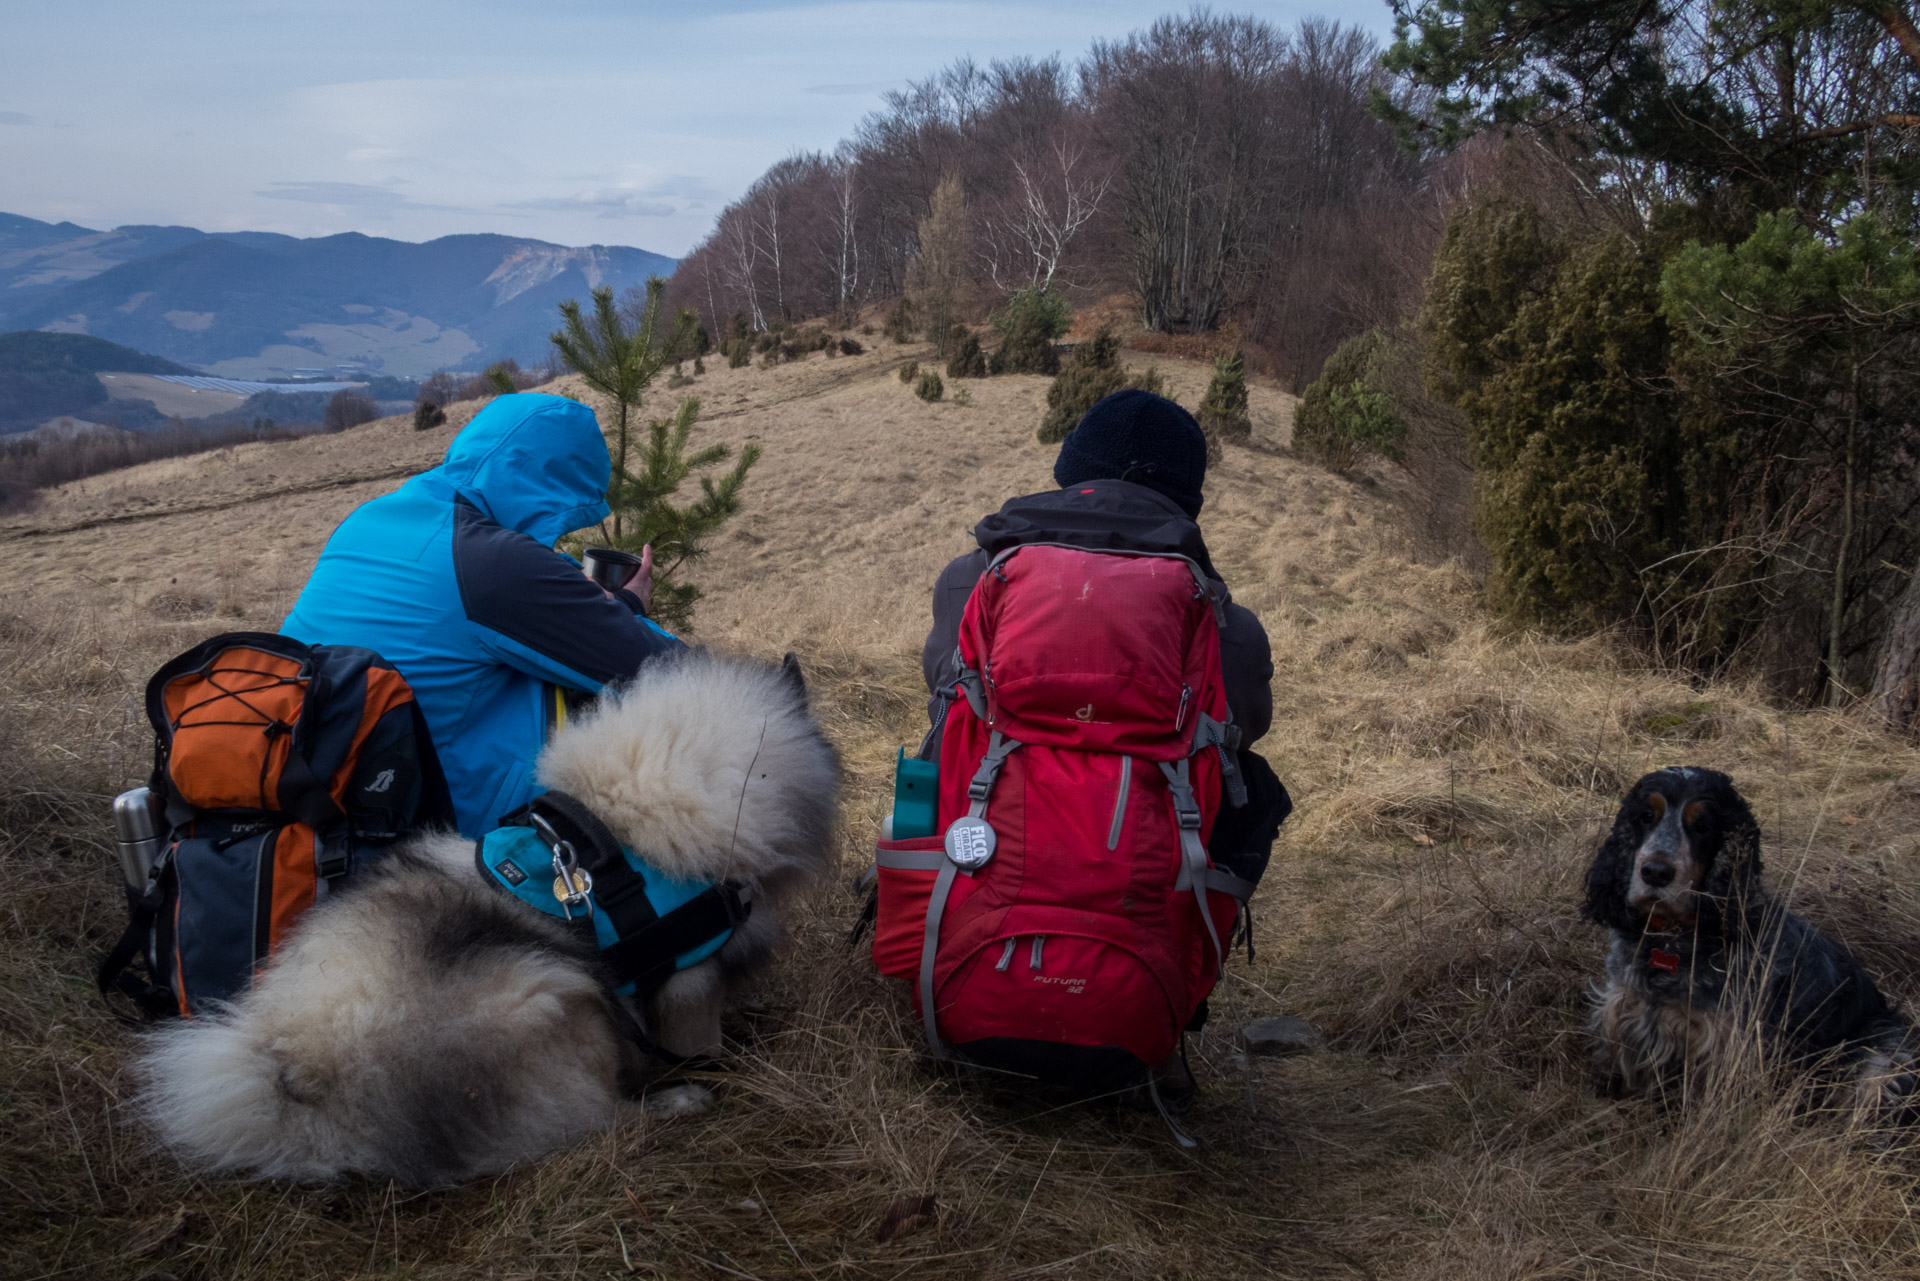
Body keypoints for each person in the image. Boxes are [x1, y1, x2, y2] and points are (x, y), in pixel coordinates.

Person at [921, 388, 1290, 885]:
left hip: (986, 844)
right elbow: (1248, 725)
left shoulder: (970, 580)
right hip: (1142, 870)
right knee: (1254, 783)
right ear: (1185, 499)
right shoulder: (1223, 621)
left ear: (1070, 472)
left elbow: (940, 693)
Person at [282, 392, 682, 837]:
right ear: (550, 488)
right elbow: (659, 667)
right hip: (433, 838)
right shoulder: (489, 559)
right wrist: (629, 606)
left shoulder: (369, 518)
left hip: (317, 796)